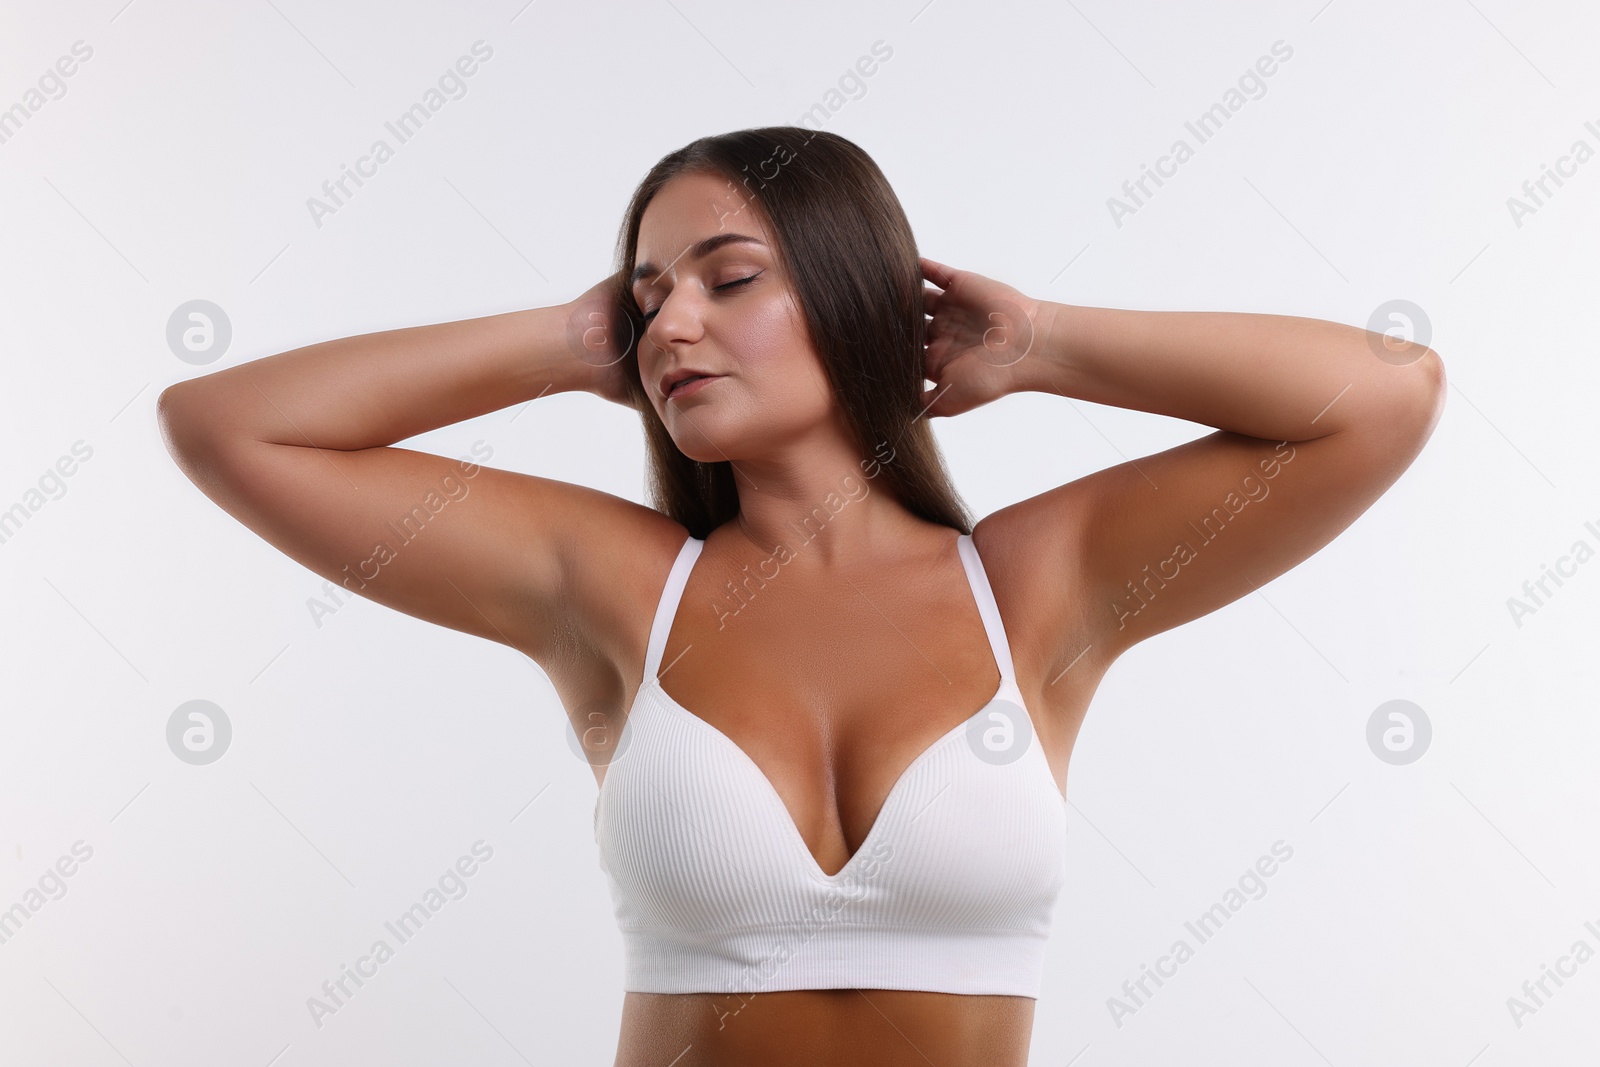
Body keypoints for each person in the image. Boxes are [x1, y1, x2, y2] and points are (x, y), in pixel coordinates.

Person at [157, 126, 1445, 1066]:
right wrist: (563, 340)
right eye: (646, 299)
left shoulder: (1034, 588)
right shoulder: (617, 590)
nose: (671, 329)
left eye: (730, 279)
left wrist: (1049, 344)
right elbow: (228, 425)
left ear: (851, 292)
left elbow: (1385, 393)